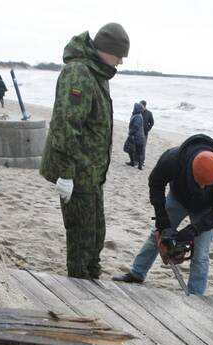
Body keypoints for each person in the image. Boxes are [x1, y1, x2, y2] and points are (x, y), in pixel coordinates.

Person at [39, 23, 130, 279]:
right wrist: (66, 174)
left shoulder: (97, 72)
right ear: (104, 49)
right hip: (77, 174)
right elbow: (66, 125)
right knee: (81, 240)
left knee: (96, 235)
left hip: (92, 175)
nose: (121, 61)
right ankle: (78, 292)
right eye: (119, 55)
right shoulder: (78, 73)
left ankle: (92, 280)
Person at [112, 134, 213, 295]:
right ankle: (137, 273)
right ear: (190, 169)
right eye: (199, 183)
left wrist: (193, 230)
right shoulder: (173, 159)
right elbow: (155, 184)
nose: (203, 188)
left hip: (206, 209)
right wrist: (162, 220)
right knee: (157, 236)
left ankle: (196, 293)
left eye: (207, 185)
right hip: (178, 198)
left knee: (201, 253)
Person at [125, 103, 146, 170]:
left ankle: (137, 164)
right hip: (139, 136)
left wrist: (131, 133)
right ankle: (134, 163)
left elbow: (136, 126)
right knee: (135, 150)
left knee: (131, 149)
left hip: (137, 136)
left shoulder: (138, 116)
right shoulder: (137, 115)